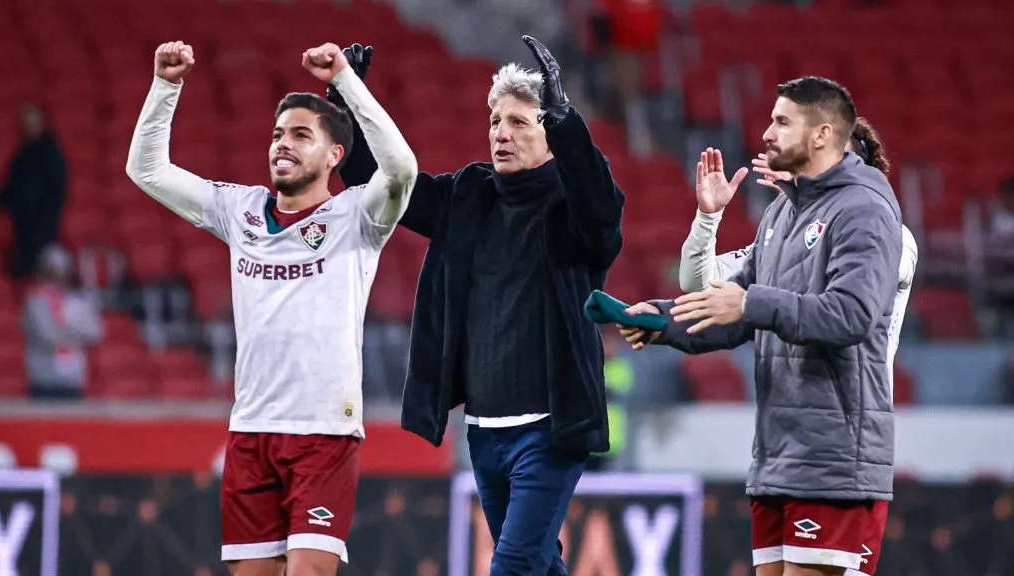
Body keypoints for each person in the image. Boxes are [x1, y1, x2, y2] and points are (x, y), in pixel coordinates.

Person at [125, 40, 417, 576]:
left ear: (334, 156)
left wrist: (348, 82)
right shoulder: (241, 211)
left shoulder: (359, 217)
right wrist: (166, 86)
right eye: (278, 134)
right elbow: (147, 170)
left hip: (324, 433)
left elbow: (401, 167)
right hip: (251, 430)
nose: (283, 144)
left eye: (301, 135)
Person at [337, 36, 625, 574]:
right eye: (495, 121)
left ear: (548, 134)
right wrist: (347, 98)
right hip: (484, 431)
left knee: (512, 565)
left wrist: (567, 120)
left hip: (550, 428)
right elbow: (373, 184)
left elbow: (602, 214)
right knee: (537, 564)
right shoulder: (467, 194)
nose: (502, 132)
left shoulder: (571, 204)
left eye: (520, 122)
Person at [620, 77, 903, 576]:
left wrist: (752, 303)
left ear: (820, 134)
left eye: (781, 121)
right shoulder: (781, 214)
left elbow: (851, 314)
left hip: (833, 459)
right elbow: (734, 310)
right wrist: (663, 320)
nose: (767, 133)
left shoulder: (863, 209)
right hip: (778, 454)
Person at [680, 117, 919, 413]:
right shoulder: (784, 239)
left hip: (852, 423)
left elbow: (837, 300)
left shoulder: (893, 236)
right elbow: (701, 284)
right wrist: (708, 218)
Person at [0, 103, 67, 279]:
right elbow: (14, 189)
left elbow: (53, 192)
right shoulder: (22, 154)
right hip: (22, 229)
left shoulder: (51, 155)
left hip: (42, 230)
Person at [22, 244, 102, 399]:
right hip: (42, 380)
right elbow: (48, 336)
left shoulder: (78, 302)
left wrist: (63, 330)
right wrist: (76, 332)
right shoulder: (35, 302)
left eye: (61, 273)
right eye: (51, 273)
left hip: (72, 380)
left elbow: (95, 332)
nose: (57, 279)